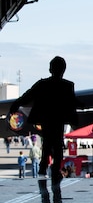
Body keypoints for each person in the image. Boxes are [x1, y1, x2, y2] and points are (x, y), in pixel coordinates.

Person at [9, 56, 80, 186]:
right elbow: (73, 102)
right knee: (57, 145)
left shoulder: (42, 84)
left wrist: (16, 103)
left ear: (50, 69)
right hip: (58, 120)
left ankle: (43, 167)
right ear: (63, 70)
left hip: (46, 119)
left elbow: (28, 95)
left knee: (47, 143)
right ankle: (55, 169)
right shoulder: (67, 86)